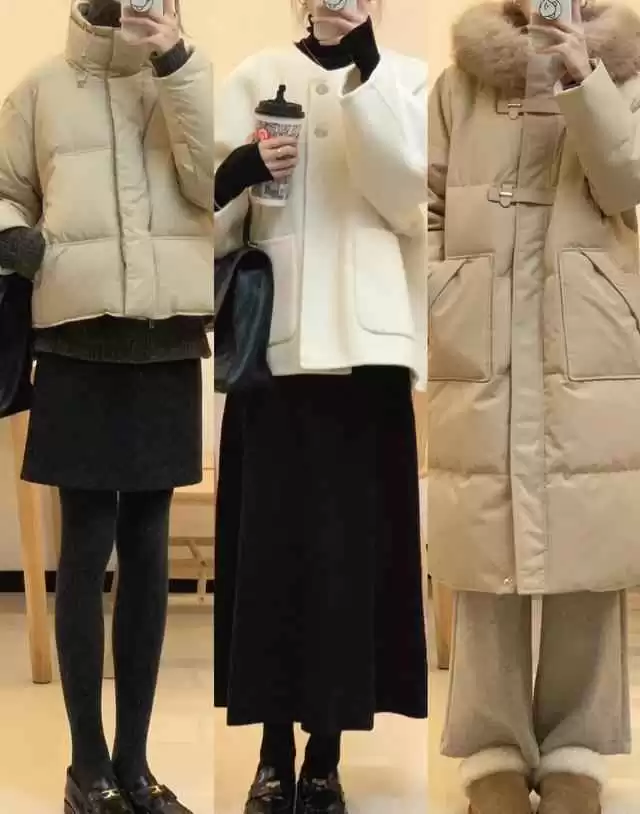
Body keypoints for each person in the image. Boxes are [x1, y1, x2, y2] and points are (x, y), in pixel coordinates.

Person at [213, 1, 428, 812]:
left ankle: (326, 757)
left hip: (369, 355)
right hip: (277, 351)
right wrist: (245, 167)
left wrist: (365, 70)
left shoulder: (405, 80)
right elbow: (208, 217)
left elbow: (408, 200)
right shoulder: (254, 75)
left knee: (348, 562)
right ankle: (271, 755)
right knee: (270, 558)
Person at [0, 1, 213, 812]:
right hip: (76, 336)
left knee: (150, 546)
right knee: (85, 543)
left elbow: (213, 184)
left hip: (166, 336)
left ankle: (136, 765)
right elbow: (3, 190)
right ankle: (86, 768)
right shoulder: (39, 91)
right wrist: (21, 241)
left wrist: (177, 63)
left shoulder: (188, 78)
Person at [428, 0, 640, 812]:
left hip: (589, 334)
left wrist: (583, 74)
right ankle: (491, 754)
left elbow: (626, 182)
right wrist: (442, 295)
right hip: (479, 333)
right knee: (488, 544)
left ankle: (577, 751)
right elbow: (426, 203)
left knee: (587, 539)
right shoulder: (460, 83)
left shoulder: (627, 70)